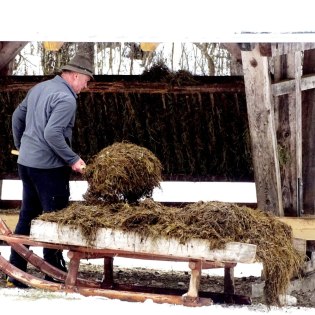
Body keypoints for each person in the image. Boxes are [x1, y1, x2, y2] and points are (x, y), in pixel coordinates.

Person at [7, 53, 94, 288]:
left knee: (27, 215)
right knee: (54, 219)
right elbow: (52, 134)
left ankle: (15, 270)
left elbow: (17, 116)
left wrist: (21, 145)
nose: (86, 86)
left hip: (26, 163)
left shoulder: (40, 88)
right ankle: (54, 271)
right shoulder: (66, 99)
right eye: (86, 80)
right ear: (75, 75)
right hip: (48, 168)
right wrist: (73, 159)